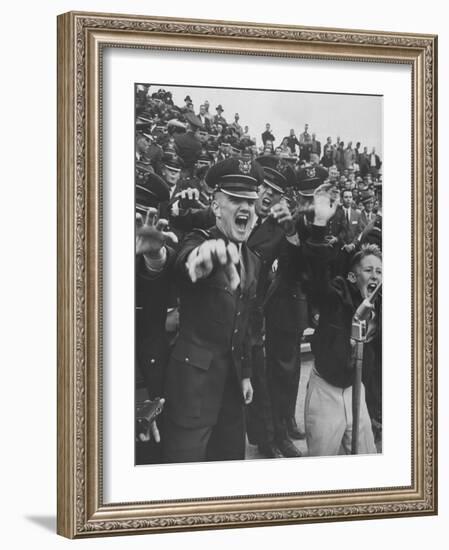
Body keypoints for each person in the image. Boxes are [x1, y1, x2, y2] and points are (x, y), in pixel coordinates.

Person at [162, 158, 263, 463]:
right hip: (193, 391)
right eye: (235, 200)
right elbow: (185, 263)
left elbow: (245, 325)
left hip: (232, 390)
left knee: (229, 467)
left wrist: (246, 375)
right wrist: (198, 262)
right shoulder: (201, 241)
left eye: (251, 202)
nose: (245, 208)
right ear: (217, 208)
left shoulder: (253, 260)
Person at [303, 185, 380, 456]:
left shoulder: (379, 305)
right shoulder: (336, 294)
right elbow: (317, 280)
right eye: (368, 270)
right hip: (326, 392)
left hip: (355, 391)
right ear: (351, 276)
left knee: (368, 462)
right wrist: (320, 225)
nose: (375, 276)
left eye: (379, 272)